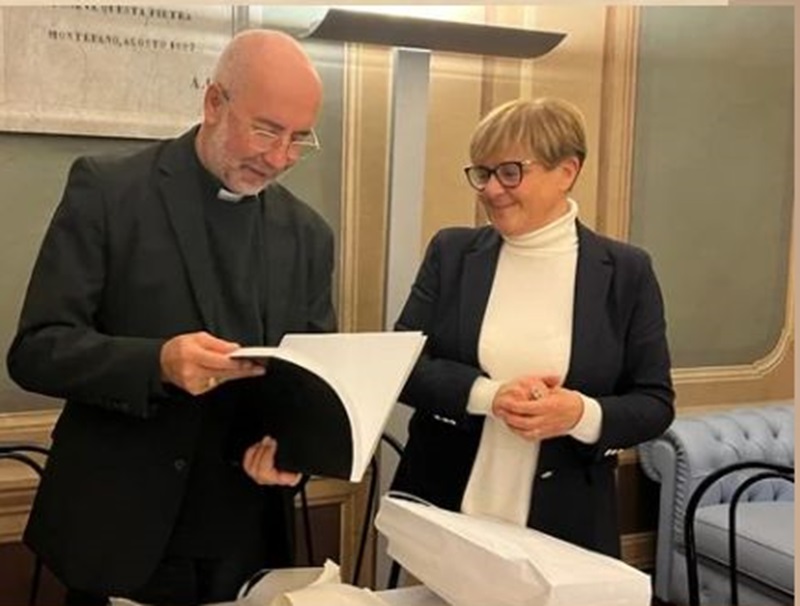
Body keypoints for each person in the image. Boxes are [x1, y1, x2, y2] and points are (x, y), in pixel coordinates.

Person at [7, 30, 336, 605]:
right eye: (266, 131)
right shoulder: (109, 191)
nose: (280, 158)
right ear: (213, 103)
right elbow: (37, 350)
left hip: (248, 534)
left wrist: (291, 452)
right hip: (120, 528)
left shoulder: (309, 233)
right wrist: (156, 363)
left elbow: (310, 381)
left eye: (298, 138)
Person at [390, 97, 675, 557]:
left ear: (567, 171)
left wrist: (580, 414)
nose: (491, 190)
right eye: (483, 173)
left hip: (566, 524)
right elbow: (402, 366)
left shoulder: (627, 272)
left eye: (509, 172)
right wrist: (488, 395)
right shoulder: (452, 252)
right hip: (446, 509)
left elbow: (655, 403)